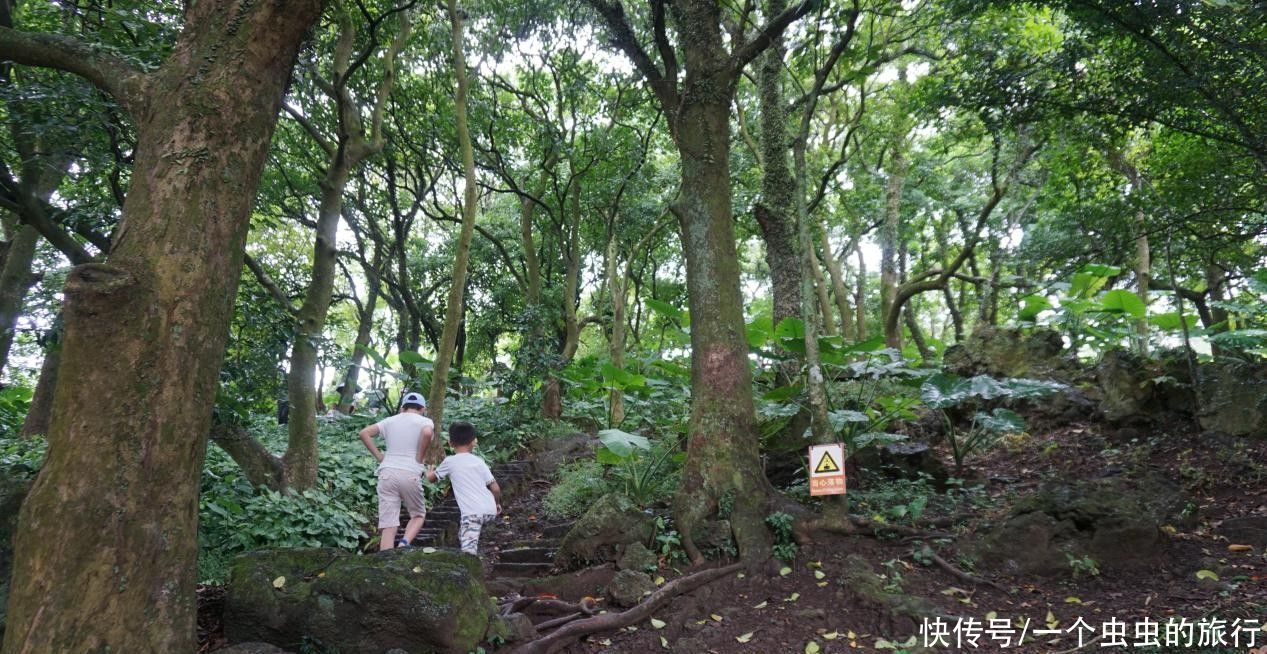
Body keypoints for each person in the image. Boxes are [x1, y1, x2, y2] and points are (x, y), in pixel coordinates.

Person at [358, 391, 433, 551]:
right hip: (410, 472)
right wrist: (420, 457)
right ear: (423, 409)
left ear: (402, 408)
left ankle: (386, 558)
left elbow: (364, 433)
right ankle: (403, 544)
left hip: (387, 473)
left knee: (389, 523)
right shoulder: (425, 421)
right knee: (418, 514)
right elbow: (427, 433)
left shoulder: (389, 421)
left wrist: (380, 457)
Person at [426, 421, 501, 557]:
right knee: (463, 535)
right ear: (474, 442)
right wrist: (496, 504)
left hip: (472, 514)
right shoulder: (479, 461)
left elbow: (431, 478)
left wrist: (428, 470)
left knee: (468, 552)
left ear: (450, 443)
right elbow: (495, 488)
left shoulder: (450, 461)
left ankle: (474, 574)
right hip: (490, 510)